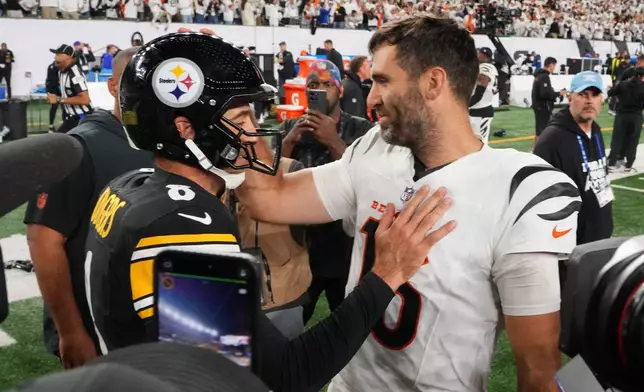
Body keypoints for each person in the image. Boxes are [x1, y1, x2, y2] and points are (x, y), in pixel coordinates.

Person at [83, 32, 454, 392]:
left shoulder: (130, 186)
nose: (255, 134)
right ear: (186, 129)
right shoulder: (183, 223)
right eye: (242, 118)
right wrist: (386, 274)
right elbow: (289, 373)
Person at [236, 16, 582, 392]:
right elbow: (267, 198)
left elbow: (538, 368)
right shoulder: (374, 148)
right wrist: (238, 115)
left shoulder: (523, 189)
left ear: (433, 82)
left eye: (383, 81)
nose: (370, 99)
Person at [24, 47, 152, 369]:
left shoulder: (163, 143)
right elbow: (43, 241)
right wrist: (70, 331)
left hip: (145, 321)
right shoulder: (75, 147)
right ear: (113, 87)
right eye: (137, 83)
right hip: (93, 325)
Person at [279, 59, 372, 324]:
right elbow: (269, 179)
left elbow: (366, 180)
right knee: (289, 327)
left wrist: (333, 141)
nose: (319, 90)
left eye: (327, 84)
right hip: (300, 245)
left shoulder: (362, 130)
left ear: (340, 90)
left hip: (344, 245)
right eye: (313, 85)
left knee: (349, 328)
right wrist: (288, 144)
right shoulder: (290, 129)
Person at [534, 71, 613, 245]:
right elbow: (539, 199)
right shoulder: (552, 139)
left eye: (595, 95)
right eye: (583, 94)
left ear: (602, 100)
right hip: (570, 242)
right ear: (570, 98)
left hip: (599, 234)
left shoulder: (596, 130)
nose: (589, 101)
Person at [47, 44, 94, 133]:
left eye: (58, 55)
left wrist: (58, 99)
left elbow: (84, 99)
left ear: (68, 58)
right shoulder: (61, 71)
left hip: (82, 119)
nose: (55, 58)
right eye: (55, 55)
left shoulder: (75, 74)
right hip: (71, 118)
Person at [607, 64, 644, 173]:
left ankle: (612, 163)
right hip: (636, 116)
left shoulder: (623, 84)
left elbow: (610, 93)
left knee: (617, 139)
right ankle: (628, 164)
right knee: (633, 141)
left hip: (621, 114)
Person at [532, 56, 566, 145]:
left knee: (540, 129)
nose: (554, 68)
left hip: (538, 106)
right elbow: (544, 94)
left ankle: (537, 151)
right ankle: (538, 152)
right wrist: (558, 94)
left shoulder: (538, 76)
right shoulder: (544, 76)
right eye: (554, 66)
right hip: (543, 107)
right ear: (551, 65)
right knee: (543, 130)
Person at [468, 47, 498, 143]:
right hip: (479, 108)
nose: (477, 55)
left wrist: (465, 104)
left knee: (480, 142)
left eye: (479, 53)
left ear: (485, 56)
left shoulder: (486, 68)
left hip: (480, 110)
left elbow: (479, 92)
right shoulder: (489, 68)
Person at [341, 55, 371, 119]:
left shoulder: (350, 83)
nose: (371, 70)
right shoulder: (353, 88)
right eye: (369, 67)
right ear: (361, 69)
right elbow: (354, 118)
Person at [45, 59, 60, 132]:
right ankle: (51, 127)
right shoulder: (57, 67)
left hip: (51, 88)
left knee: (54, 107)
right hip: (54, 89)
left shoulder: (50, 66)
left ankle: (51, 126)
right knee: (57, 106)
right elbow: (56, 80)